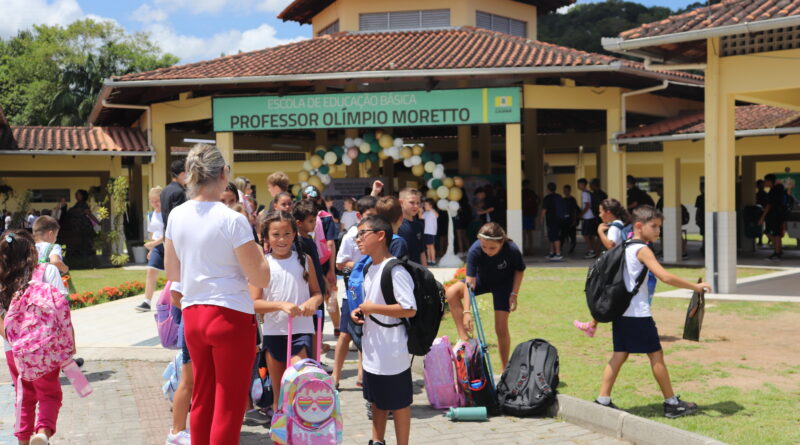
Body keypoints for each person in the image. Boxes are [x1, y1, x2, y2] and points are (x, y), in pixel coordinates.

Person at [163, 144, 269, 445]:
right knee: (229, 403)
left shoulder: (177, 216)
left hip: (194, 314)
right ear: (223, 174)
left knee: (203, 395)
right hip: (230, 315)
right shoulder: (231, 219)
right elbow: (259, 275)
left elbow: (173, 273)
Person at [593, 206, 708, 418]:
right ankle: (672, 403)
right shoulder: (642, 249)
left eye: (659, 227)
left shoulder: (626, 245)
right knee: (656, 355)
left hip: (622, 312)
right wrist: (695, 286)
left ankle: (603, 399)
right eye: (653, 226)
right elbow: (664, 276)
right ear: (639, 226)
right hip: (637, 314)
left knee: (620, 354)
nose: (658, 231)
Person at [1, 229, 74, 445]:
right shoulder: (47, 271)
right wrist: (69, 345)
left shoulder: (2, 279)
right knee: (50, 394)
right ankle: (42, 432)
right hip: (46, 347)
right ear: (32, 251)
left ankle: (23, 441)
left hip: (13, 349)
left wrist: (18, 341)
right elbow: (63, 309)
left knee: (23, 398)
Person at [350, 216, 417, 445]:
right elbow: (373, 303)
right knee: (376, 400)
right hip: (372, 348)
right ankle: (377, 440)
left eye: (362, 233)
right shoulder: (370, 267)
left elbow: (408, 308)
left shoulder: (395, 269)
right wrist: (361, 311)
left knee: (398, 403)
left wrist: (372, 308)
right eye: (356, 235)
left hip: (391, 350)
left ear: (380, 236)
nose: (357, 239)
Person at [251, 210, 322, 415]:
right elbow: (253, 303)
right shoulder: (263, 264)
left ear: (294, 234)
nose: (282, 239)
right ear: (266, 237)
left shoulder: (304, 260)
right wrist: (280, 305)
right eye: (275, 234)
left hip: (301, 332)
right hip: (274, 333)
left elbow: (317, 294)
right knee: (279, 391)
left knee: (298, 382)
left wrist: (312, 302)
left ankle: (301, 429)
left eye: (287, 234)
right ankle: (280, 431)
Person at [444, 222, 525, 371]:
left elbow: (519, 270)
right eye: (484, 247)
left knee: (500, 327)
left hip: (503, 285)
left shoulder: (512, 249)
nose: (487, 251)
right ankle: (465, 339)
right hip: (481, 281)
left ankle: (504, 368)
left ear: (502, 242)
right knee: (451, 292)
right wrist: (466, 312)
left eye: (492, 248)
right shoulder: (475, 249)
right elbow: (470, 282)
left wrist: (514, 294)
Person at [332, 195, 378, 388]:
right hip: (351, 294)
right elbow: (340, 263)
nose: (371, 221)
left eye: (375, 217)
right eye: (368, 216)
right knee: (345, 334)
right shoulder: (351, 235)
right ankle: (335, 375)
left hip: (371, 293)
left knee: (366, 333)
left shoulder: (379, 234)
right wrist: (362, 266)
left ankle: (362, 376)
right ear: (359, 215)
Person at [574, 198, 630, 337]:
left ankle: (593, 324)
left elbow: (611, 245)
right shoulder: (621, 224)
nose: (599, 215)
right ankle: (592, 325)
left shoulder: (614, 227)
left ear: (609, 213)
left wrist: (599, 231)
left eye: (601, 212)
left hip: (613, 268)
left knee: (604, 295)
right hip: (619, 266)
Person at [135, 187, 165, 312]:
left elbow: (169, 232)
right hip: (157, 247)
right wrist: (152, 249)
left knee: (174, 275)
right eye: (152, 201)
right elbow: (152, 234)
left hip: (169, 246)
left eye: (157, 200)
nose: (154, 204)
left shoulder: (168, 213)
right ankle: (146, 302)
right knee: (151, 271)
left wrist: (153, 244)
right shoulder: (151, 215)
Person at [759, 174, 787, 260]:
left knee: (773, 233)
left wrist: (762, 217)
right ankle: (778, 250)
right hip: (779, 215)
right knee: (776, 234)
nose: (764, 183)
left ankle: (777, 252)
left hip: (774, 215)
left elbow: (769, 205)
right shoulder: (779, 189)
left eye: (765, 181)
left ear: (769, 181)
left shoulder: (774, 190)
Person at [398, 188, 426, 265]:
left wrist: (426, 273)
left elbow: (422, 252)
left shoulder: (419, 225)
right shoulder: (396, 225)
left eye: (418, 203)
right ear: (401, 203)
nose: (416, 206)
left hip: (417, 272)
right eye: (412, 202)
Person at [539, 182, 565, 261]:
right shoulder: (559, 196)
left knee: (555, 236)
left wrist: (541, 219)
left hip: (552, 219)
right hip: (559, 219)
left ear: (548, 189)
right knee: (552, 236)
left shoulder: (547, 198)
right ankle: (552, 252)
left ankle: (558, 253)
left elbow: (544, 209)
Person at [161, 159, 187, 230]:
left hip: (166, 234)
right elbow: (179, 218)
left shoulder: (164, 191)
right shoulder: (180, 192)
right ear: (182, 174)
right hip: (176, 234)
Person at [577, 178, 599, 259]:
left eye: (579, 184)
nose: (578, 186)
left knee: (586, 235)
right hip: (591, 216)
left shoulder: (584, 194)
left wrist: (581, 214)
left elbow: (587, 205)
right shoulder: (588, 193)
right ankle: (592, 249)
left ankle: (591, 250)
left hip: (587, 216)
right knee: (590, 235)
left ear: (583, 185)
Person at [521, 180, 539, 255]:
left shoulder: (521, 192)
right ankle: (530, 248)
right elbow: (538, 201)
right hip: (530, 214)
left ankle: (524, 248)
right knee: (529, 232)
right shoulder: (532, 193)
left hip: (524, 214)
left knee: (524, 232)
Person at [561, 184, 579, 255]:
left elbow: (575, 210)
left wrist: (574, 220)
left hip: (571, 220)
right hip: (564, 221)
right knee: (562, 235)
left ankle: (572, 248)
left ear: (570, 191)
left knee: (572, 236)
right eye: (564, 190)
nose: (565, 192)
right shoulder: (563, 199)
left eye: (567, 190)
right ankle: (560, 248)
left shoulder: (572, 200)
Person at [422, 198, 438, 266]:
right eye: (424, 205)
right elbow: (421, 217)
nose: (424, 206)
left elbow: (437, 215)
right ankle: (429, 259)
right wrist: (420, 211)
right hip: (426, 231)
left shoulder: (433, 211)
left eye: (426, 205)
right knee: (427, 246)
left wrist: (431, 209)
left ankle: (433, 260)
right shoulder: (425, 213)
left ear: (431, 205)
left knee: (431, 246)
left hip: (431, 232)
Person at [694, 183, 705, 250]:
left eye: (702, 188)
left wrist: (697, 217)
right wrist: (697, 218)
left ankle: (704, 246)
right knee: (703, 233)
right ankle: (704, 246)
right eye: (700, 188)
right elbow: (698, 209)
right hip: (702, 218)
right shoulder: (699, 197)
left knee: (705, 233)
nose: (701, 190)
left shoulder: (701, 197)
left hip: (703, 217)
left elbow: (698, 209)